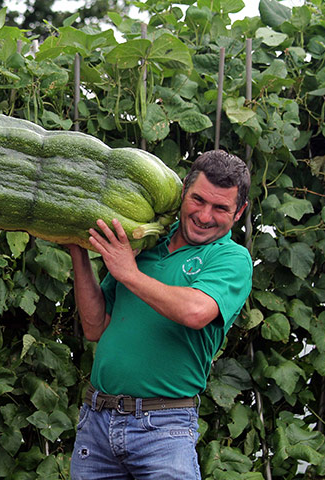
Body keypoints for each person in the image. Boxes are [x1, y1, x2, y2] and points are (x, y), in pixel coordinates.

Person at [67, 150, 252, 480]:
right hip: (97, 420)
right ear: (183, 192)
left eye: (221, 208)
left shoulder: (230, 258)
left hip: (163, 428)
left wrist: (130, 273)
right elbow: (96, 326)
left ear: (239, 213)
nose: (205, 215)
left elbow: (196, 311)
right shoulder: (145, 241)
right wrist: (77, 250)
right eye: (198, 200)